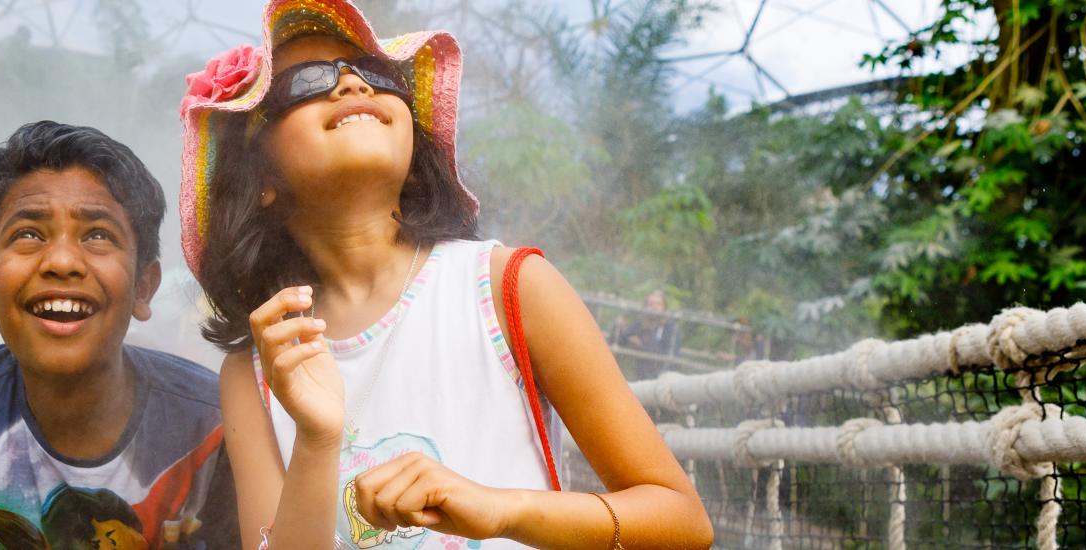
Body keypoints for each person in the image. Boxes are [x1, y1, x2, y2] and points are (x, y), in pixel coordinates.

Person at [177, 1, 713, 547]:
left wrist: (503, 511)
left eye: (376, 75)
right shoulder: (253, 373)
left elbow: (683, 522)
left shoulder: (510, 286)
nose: (352, 86)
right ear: (259, 177)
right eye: (307, 82)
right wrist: (316, 440)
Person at [0, 121, 238, 548]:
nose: (61, 260)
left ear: (144, 286)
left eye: (98, 234)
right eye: (28, 234)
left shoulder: (215, 421)